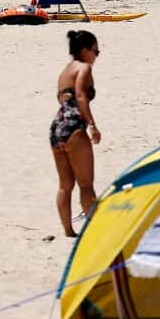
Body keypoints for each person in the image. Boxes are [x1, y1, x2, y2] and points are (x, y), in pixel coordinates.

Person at [50, 30, 101, 237]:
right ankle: (95, 229)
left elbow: (63, 99)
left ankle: (68, 231)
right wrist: (92, 125)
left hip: (57, 126)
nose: (97, 55)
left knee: (65, 186)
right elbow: (80, 96)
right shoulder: (84, 68)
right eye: (95, 50)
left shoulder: (65, 71)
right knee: (86, 184)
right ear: (84, 50)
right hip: (74, 126)